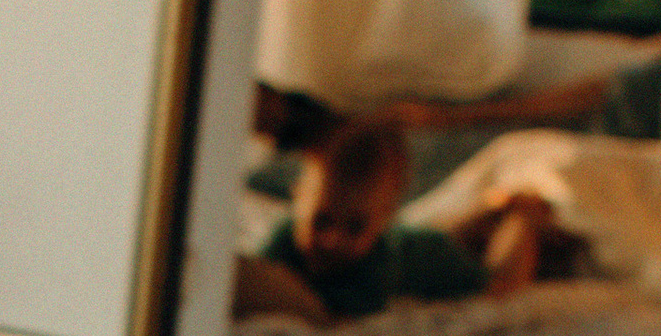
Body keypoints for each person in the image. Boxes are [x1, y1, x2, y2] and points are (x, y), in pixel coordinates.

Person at [232, 110, 554, 324]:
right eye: (321, 221)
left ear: (385, 217)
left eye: (355, 227)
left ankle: (524, 212)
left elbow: (334, 318)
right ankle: (493, 209)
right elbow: (265, 277)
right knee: (437, 233)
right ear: (298, 197)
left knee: (499, 285)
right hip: (416, 240)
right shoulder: (285, 233)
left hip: (434, 259)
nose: (332, 240)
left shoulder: (377, 264)